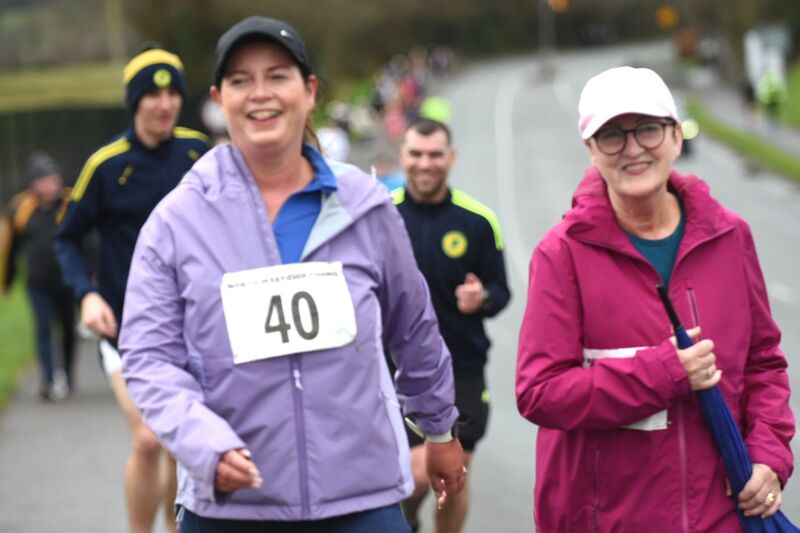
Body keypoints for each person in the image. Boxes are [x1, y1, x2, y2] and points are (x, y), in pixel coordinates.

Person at [118, 16, 465, 532]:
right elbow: (149, 356)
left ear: (309, 91)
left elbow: (413, 327)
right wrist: (201, 442)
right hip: (231, 506)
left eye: (277, 76)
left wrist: (438, 430)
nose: (260, 94)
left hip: (360, 498)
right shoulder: (176, 221)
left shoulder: (364, 206)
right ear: (218, 100)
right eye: (241, 80)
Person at [515, 66, 794, 531]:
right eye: (612, 136)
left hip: (720, 515)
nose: (632, 149)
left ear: (676, 136)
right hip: (609, 520)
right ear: (591, 151)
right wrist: (664, 373)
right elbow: (539, 392)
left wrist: (768, 455)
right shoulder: (560, 254)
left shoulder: (729, 235)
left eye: (648, 129)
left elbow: (762, 362)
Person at [54, 45, 210, 533]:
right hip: (126, 328)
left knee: (181, 443)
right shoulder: (106, 165)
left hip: (193, 325)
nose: (164, 104)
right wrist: (86, 294)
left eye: (172, 94)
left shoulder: (199, 153)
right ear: (134, 102)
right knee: (148, 439)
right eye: (152, 95)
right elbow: (66, 238)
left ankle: (175, 525)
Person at [392, 118, 511, 533]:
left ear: (451, 157)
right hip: (394, 372)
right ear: (403, 156)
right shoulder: (381, 215)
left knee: (453, 481)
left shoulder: (477, 220)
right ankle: (407, 518)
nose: (425, 164)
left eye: (435, 155)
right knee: (412, 477)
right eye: (416, 154)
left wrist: (483, 297)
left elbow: (502, 290)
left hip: (461, 369)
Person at [1, 152, 75, 400]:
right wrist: (7, 281)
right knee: (43, 327)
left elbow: (87, 239)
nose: (50, 185)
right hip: (37, 283)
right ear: (33, 183)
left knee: (67, 328)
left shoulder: (70, 202)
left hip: (66, 281)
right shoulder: (20, 208)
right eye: (44, 180)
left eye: (53, 178)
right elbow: (9, 248)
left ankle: (67, 375)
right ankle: (49, 379)